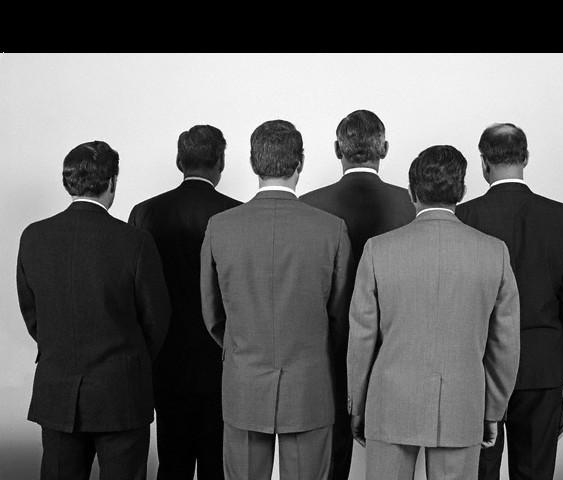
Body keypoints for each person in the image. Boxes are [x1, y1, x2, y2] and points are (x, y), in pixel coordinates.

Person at [347, 145, 521, 480]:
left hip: (390, 403)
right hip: (462, 403)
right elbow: (505, 344)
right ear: (462, 191)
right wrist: (494, 409)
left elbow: (362, 337)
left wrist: (357, 402)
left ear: (412, 192)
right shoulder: (493, 252)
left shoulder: (378, 250)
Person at [200, 120, 353, 480]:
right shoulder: (331, 228)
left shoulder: (220, 226)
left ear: (253, 163)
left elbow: (212, 313)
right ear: (300, 162)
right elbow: (340, 316)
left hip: (243, 382)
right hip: (309, 383)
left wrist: (241, 347)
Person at [16, 141, 171, 480]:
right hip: (121, 392)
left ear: (67, 181)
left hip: (57, 390)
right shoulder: (135, 241)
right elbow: (157, 319)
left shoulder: (33, 237)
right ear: (112, 182)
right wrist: (130, 361)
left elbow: (32, 313)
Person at [456, 123, 563, 480]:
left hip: (480, 365)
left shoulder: (464, 217)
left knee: (480, 472)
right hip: (543, 363)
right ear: (526, 158)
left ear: (483, 162)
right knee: (535, 471)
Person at [300, 110, 415, 480]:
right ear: (385, 148)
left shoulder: (307, 205)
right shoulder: (412, 205)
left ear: (338, 149)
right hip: (396, 349)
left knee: (330, 457)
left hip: (325, 350)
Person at [128, 125, 241, 479]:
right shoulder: (236, 215)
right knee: (216, 466)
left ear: (179, 161)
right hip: (221, 361)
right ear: (221, 163)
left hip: (165, 359)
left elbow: (135, 293)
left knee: (172, 463)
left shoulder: (145, 213)